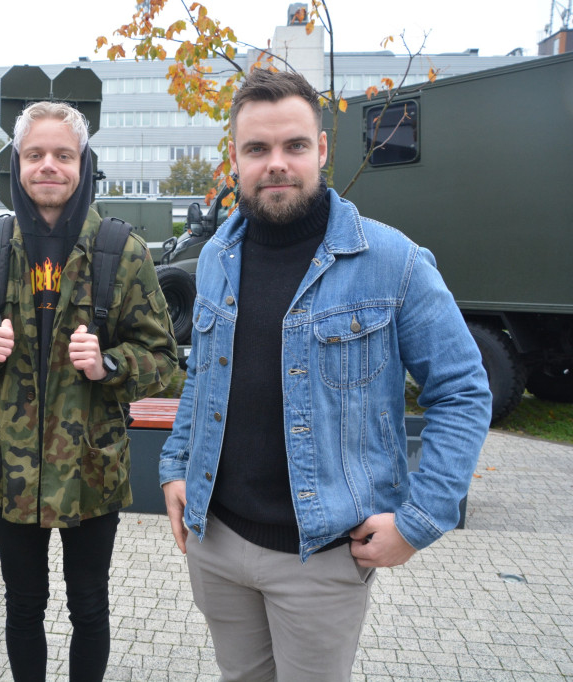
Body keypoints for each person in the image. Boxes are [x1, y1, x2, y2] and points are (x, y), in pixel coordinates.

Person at [158, 69, 492, 681]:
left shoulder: (392, 261)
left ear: (322, 149)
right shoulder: (215, 258)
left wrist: (419, 521)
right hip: (217, 543)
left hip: (322, 558)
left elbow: (463, 391)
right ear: (234, 158)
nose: (276, 163)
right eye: (257, 148)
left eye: (294, 145)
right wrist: (177, 463)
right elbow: (203, 375)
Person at [0, 101, 177, 682]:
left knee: (89, 607)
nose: (49, 165)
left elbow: (165, 363)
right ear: (17, 164)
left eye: (63, 155)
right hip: (11, 469)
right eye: (35, 154)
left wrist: (110, 364)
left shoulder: (122, 253)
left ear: (83, 163)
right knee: (23, 606)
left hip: (92, 470)